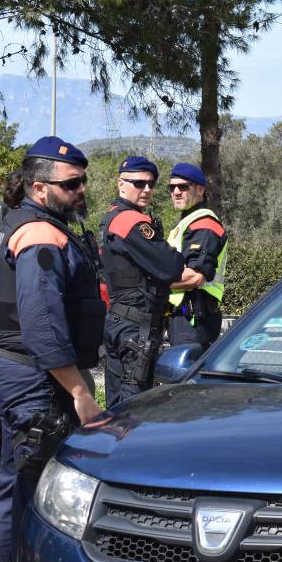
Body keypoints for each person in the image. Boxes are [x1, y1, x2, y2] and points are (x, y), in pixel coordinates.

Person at [0, 136, 106, 562]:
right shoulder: (39, 235)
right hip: (35, 379)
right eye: (72, 183)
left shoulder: (43, 225)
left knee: (27, 492)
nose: (82, 189)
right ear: (39, 188)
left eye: (83, 181)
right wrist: (79, 391)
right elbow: (41, 323)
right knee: (22, 498)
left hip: (31, 373)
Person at [100, 155, 184, 407]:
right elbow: (171, 267)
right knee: (133, 408)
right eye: (138, 183)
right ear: (121, 184)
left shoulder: (110, 217)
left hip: (119, 320)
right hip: (136, 326)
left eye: (151, 183)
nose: (146, 189)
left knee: (115, 405)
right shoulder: (131, 221)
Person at [166, 163, 228, 355]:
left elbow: (195, 277)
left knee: (188, 381)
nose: (176, 192)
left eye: (184, 187)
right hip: (185, 316)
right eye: (172, 187)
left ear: (201, 189)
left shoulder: (205, 225)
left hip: (194, 318)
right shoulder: (188, 222)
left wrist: (151, 284)